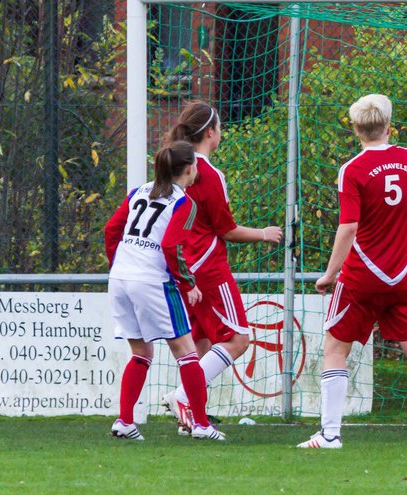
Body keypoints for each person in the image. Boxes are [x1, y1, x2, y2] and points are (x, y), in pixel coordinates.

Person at [298, 94, 407, 449]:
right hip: (403, 275)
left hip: (362, 277)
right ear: (389, 126)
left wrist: (329, 274)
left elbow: (348, 226)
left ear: (356, 130)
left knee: (334, 349)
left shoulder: (352, 170)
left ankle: (329, 434)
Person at [160, 101, 283, 434]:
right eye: (220, 127)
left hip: (183, 267)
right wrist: (264, 234)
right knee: (238, 339)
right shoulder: (208, 173)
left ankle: (194, 416)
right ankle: (184, 397)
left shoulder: (174, 166)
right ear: (211, 133)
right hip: (208, 267)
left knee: (199, 343)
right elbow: (225, 229)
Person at [103, 141, 225, 441]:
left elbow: (110, 230)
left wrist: (118, 264)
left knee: (142, 351)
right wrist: (188, 284)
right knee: (186, 351)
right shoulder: (184, 202)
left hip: (120, 278)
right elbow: (172, 246)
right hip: (151, 280)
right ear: (189, 169)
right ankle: (200, 425)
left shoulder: (138, 192)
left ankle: (125, 421)